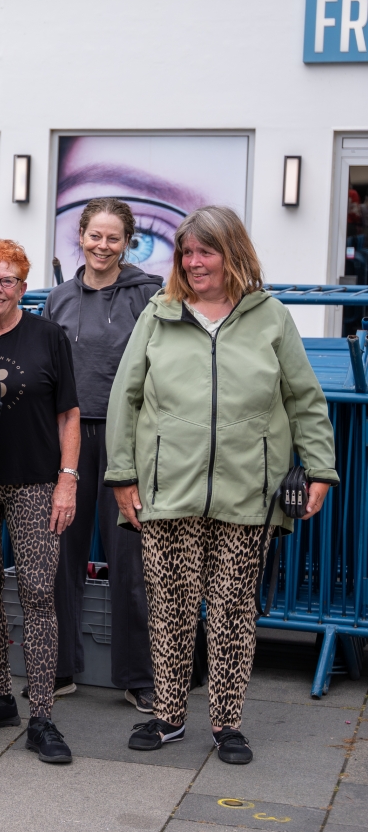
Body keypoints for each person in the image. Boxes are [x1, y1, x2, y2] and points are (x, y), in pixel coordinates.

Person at [109, 206, 335, 765]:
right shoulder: (159, 313)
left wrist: (321, 469)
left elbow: (304, 399)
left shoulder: (270, 316)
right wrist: (123, 475)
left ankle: (227, 724)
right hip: (168, 489)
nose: (193, 262)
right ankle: (168, 716)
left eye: (204, 251)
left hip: (248, 492)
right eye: (186, 252)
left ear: (231, 253)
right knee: (170, 607)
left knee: (233, 609)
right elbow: (125, 397)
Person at [0, 240, 80, 764]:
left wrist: (67, 479)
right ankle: (1, 697)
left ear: (23, 288)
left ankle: (43, 715)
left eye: (7, 280)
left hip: (36, 483)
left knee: (37, 590)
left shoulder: (48, 336)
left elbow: (69, 413)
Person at [43, 199, 162, 711]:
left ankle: (138, 677)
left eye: (114, 238)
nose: (103, 245)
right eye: (95, 235)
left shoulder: (149, 296)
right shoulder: (58, 298)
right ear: (81, 236)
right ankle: (59, 668)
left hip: (126, 439)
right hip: (68, 435)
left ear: (127, 242)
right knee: (60, 554)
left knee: (130, 560)